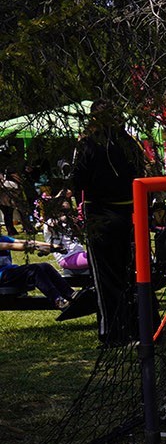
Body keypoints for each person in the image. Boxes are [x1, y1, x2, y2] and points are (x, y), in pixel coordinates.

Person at [72, 102, 143, 345]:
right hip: (130, 215)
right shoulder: (130, 144)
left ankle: (113, 332)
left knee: (106, 277)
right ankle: (142, 326)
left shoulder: (88, 144)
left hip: (101, 214)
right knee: (131, 272)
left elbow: (77, 181)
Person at [0, 234, 73, 308]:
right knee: (34, 270)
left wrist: (53, 246)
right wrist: (37, 247)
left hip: (9, 272)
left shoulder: (3, 238)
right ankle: (57, 300)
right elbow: (10, 246)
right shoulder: (4, 242)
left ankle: (71, 294)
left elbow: (29, 242)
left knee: (45, 266)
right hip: (2, 277)